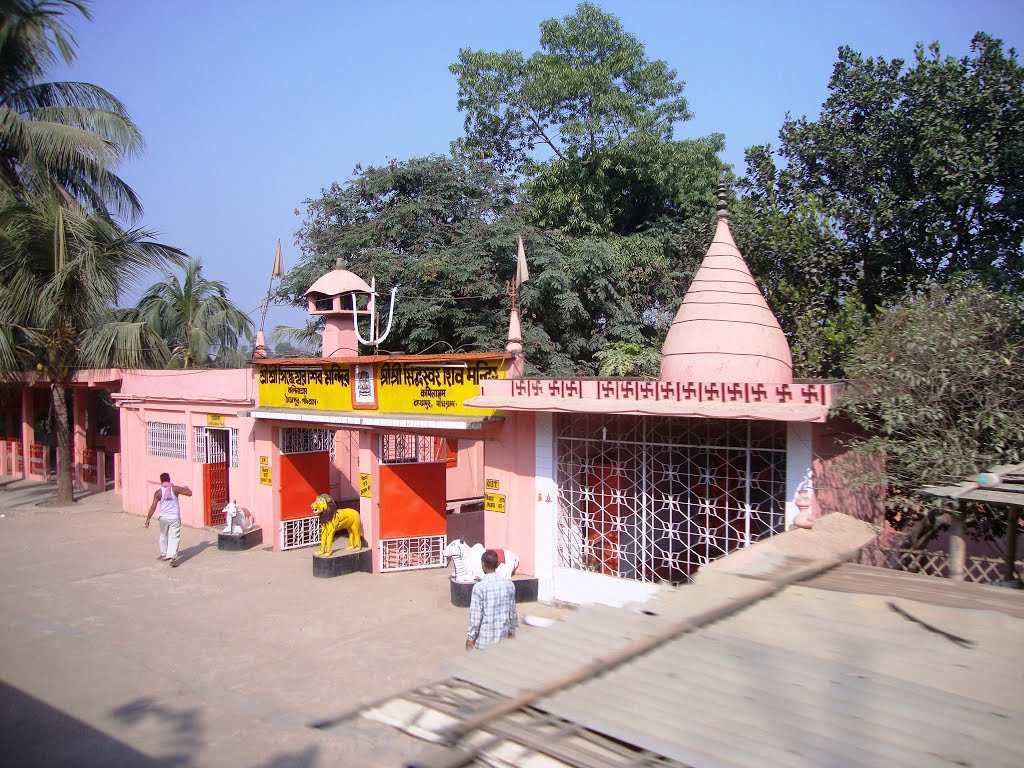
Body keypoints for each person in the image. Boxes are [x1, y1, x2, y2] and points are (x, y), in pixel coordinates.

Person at [465, 549, 518, 651]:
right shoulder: (509, 585)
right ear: (497, 564)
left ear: (482, 565)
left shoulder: (479, 587)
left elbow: (475, 618)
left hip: (485, 643)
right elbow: (512, 612)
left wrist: (470, 638)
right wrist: (512, 632)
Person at [144, 472, 192, 566]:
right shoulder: (175, 489)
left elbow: (153, 507)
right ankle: (173, 557)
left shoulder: (158, 492)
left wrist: (148, 519)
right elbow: (190, 493)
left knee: (163, 535)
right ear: (169, 479)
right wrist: (186, 488)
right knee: (174, 537)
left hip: (163, 518)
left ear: (161, 481)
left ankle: (164, 554)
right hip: (174, 517)